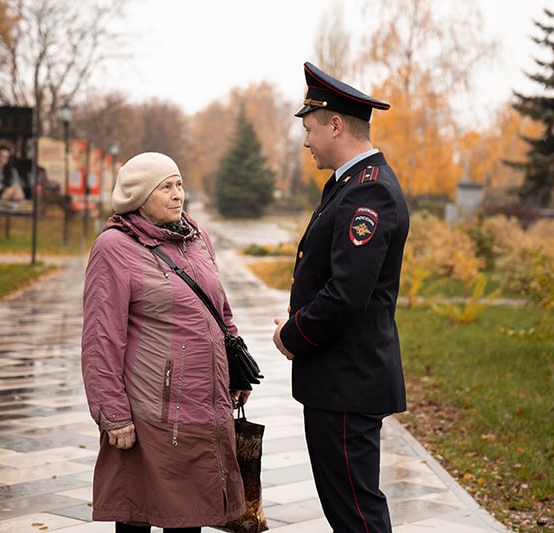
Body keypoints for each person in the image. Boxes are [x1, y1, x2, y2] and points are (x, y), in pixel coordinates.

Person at [271, 62, 410, 533]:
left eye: (309, 129)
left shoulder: (368, 192)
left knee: (357, 516)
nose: (306, 141)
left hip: (347, 382)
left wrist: (292, 335)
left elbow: (347, 294)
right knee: (348, 511)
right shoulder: (350, 184)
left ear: (335, 125)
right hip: (340, 381)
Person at [81, 152, 249, 533]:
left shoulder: (198, 238)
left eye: (179, 184)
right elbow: (100, 339)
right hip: (149, 413)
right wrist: (113, 413)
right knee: (138, 510)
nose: (178, 195)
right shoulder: (114, 248)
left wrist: (236, 371)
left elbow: (221, 311)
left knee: (191, 515)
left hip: (203, 408)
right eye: (165, 187)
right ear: (139, 197)